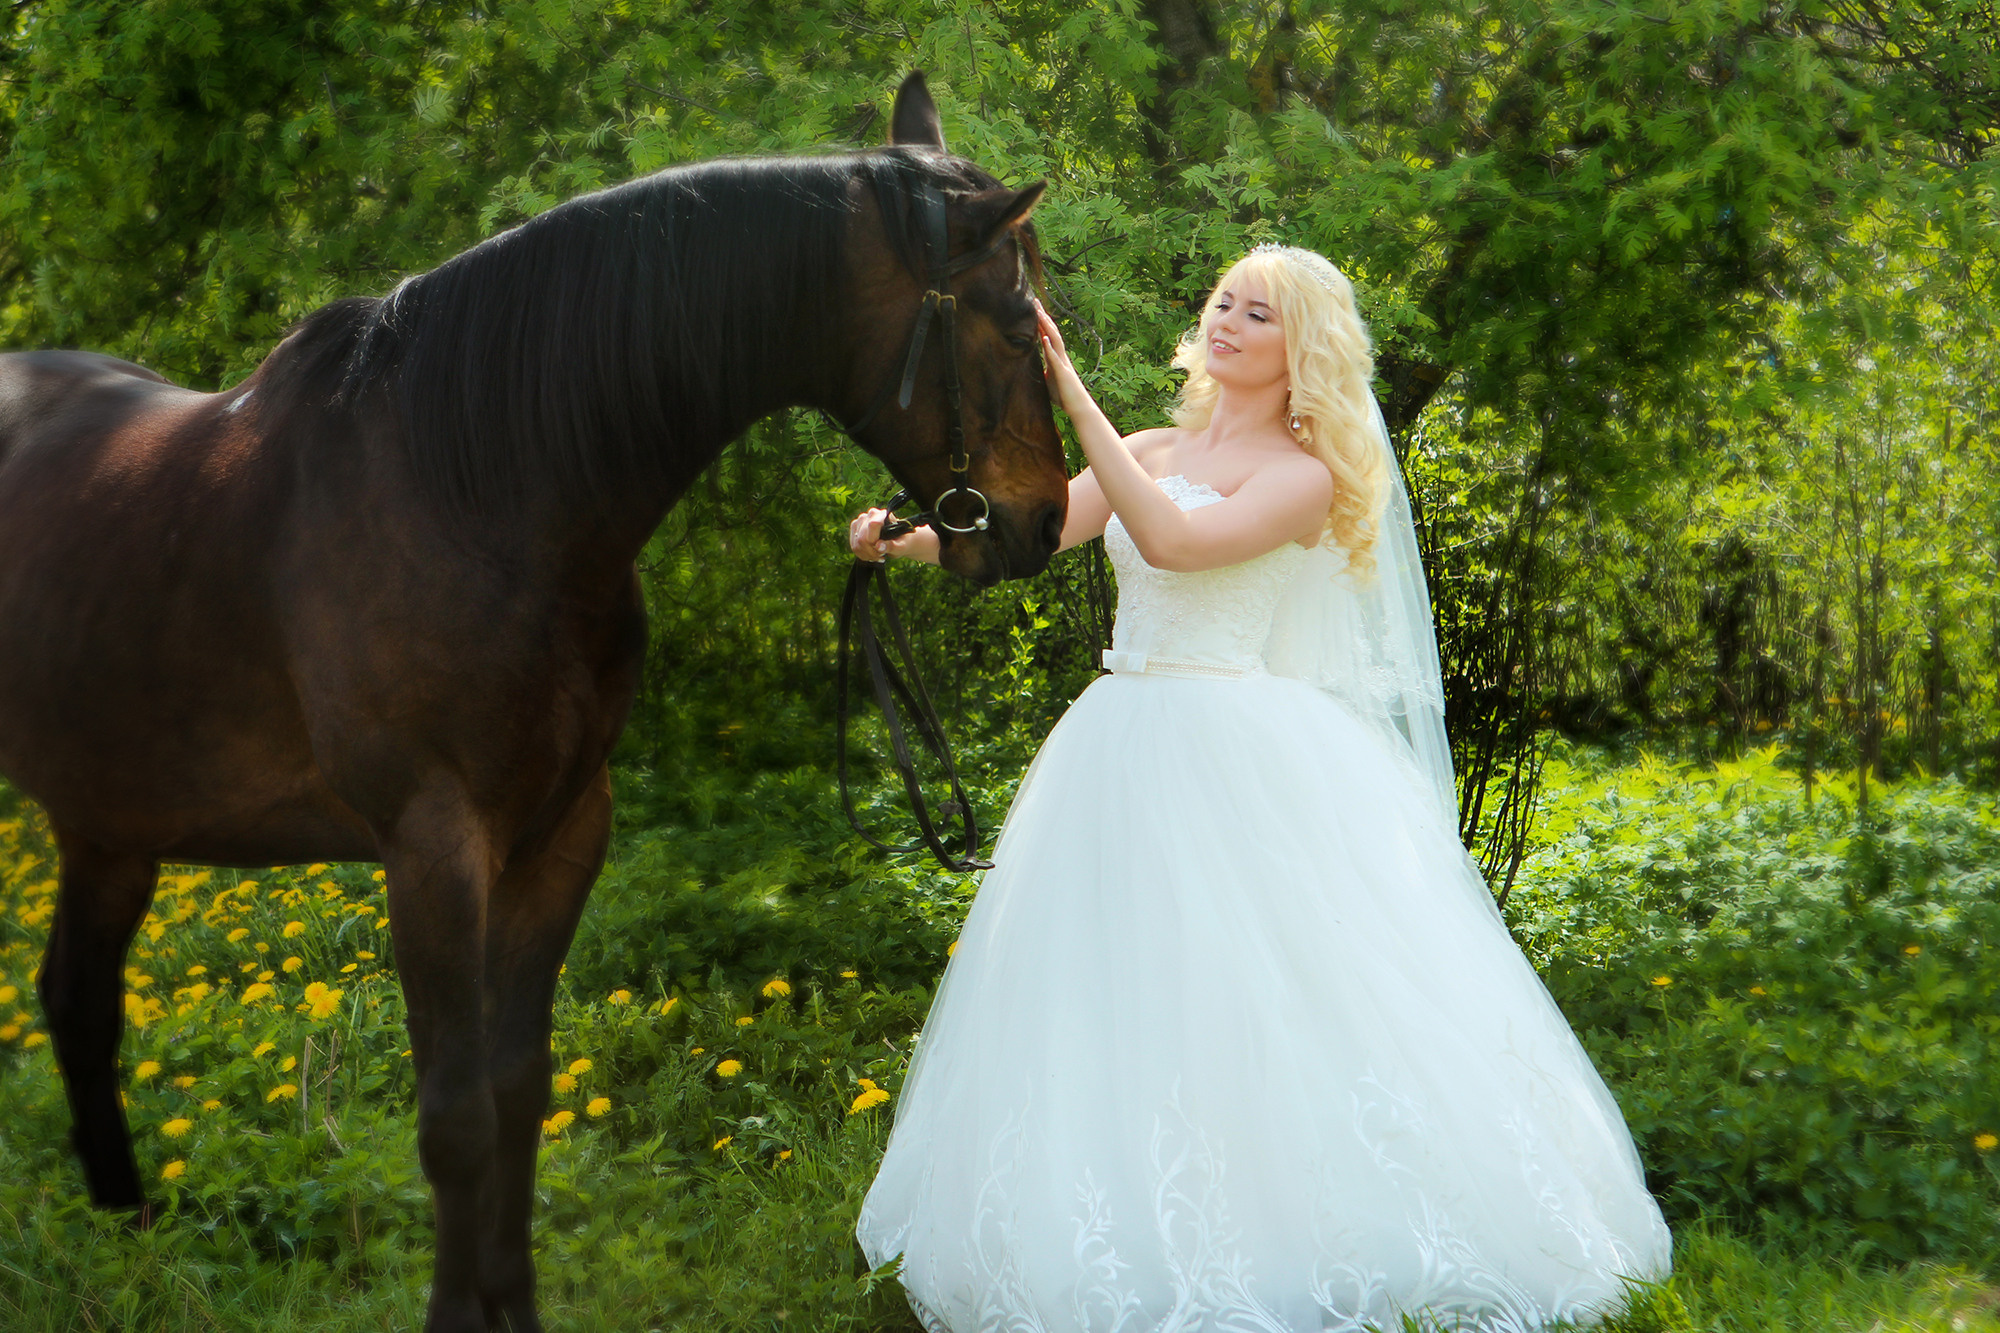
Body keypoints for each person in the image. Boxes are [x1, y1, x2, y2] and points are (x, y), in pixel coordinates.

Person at [846, 244, 1672, 1333]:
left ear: (1303, 350)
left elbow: (1178, 543)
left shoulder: (1303, 476)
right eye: (1223, 302)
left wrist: (1072, 396)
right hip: (1116, 740)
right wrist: (897, 542)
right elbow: (1025, 535)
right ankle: (1106, 1216)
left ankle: (1287, 1225)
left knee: (1255, 990)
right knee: (1105, 982)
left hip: (1232, 745)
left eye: (1260, 313)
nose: (1229, 320)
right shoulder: (1153, 445)